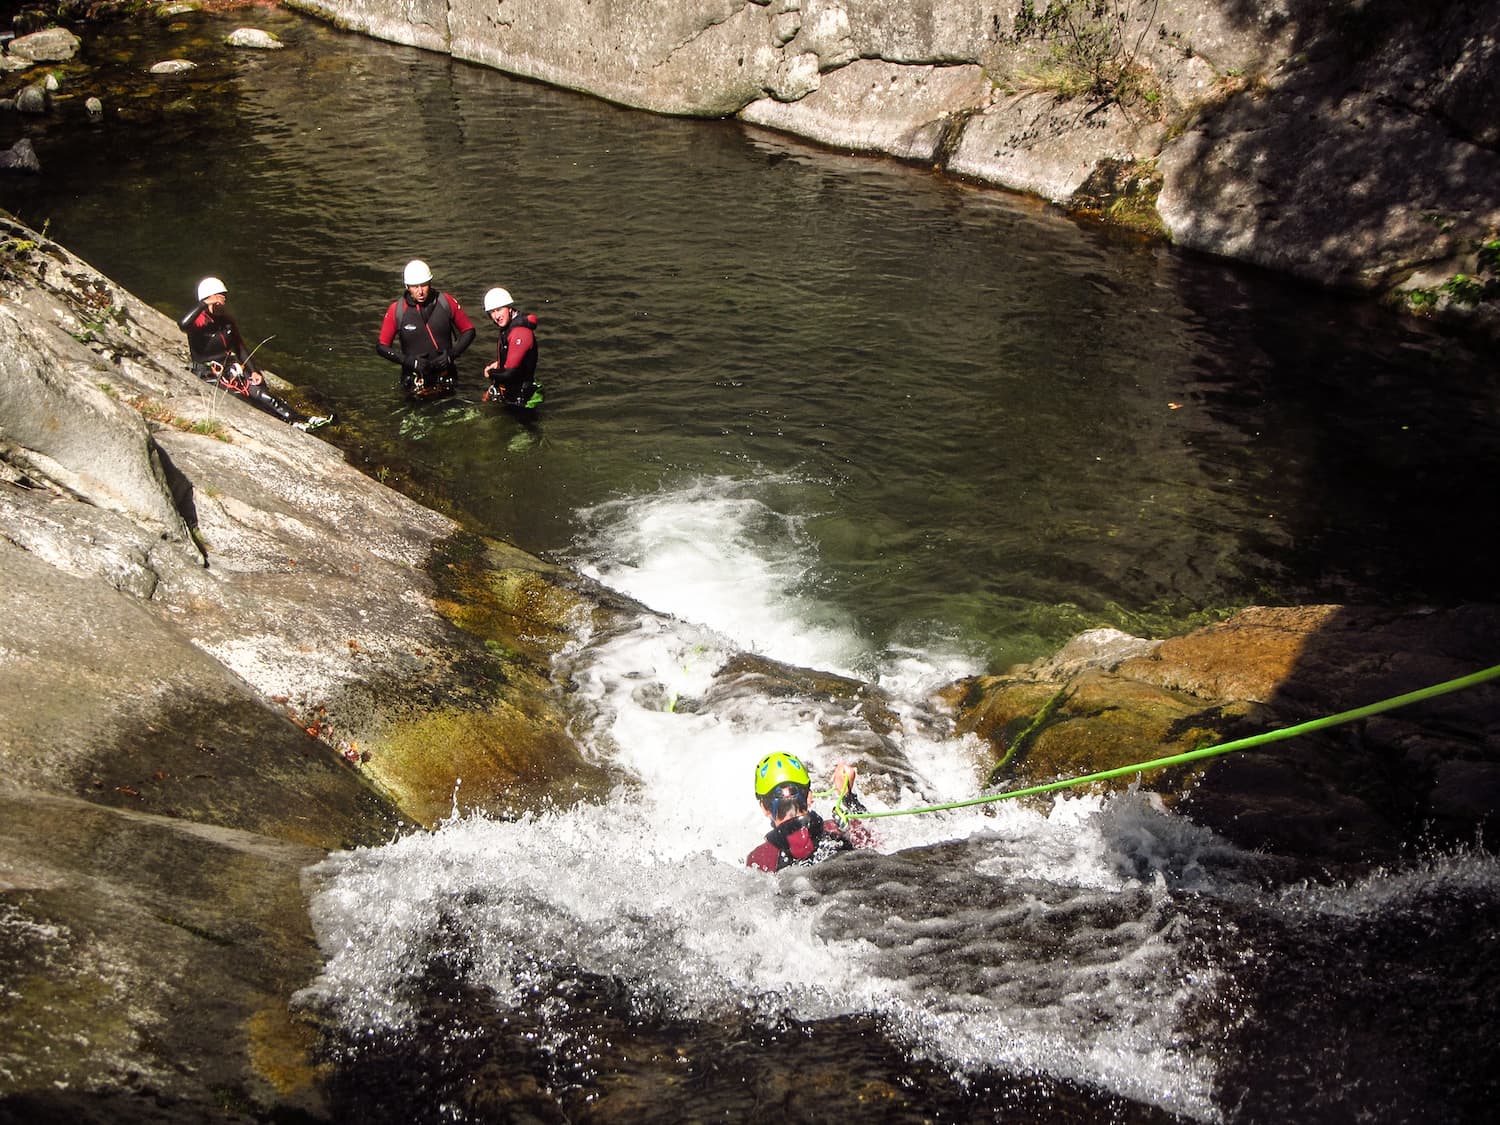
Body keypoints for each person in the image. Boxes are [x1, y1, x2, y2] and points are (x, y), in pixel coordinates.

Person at [177, 277, 331, 431]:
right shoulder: (199, 321)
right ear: (210, 298)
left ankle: (299, 418)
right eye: (220, 296)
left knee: (262, 394)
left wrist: (254, 371)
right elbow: (183, 324)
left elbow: (240, 348)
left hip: (228, 369)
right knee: (242, 399)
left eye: (224, 296)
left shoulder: (227, 321)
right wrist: (205, 303)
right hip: (208, 373)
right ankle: (287, 424)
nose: (224, 299)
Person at [746, 752, 873, 872]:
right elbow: (874, 843)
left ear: (764, 808)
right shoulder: (839, 831)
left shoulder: (759, 860)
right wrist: (848, 797)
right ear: (809, 797)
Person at [375, 259, 476, 396]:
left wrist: (451, 355)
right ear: (407, 286)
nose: (420, 291)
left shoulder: (446, 302)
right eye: (415, 287)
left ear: (430, 283)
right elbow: (382, 346)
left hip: (446, 377)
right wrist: (408, 361)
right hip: (415, 381)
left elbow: (469, 331)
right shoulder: (397, 310)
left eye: (424, 285)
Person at [479, 286, 542, 407]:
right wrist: (499, 363)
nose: (496, 316)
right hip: (510, 393)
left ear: (509, 308)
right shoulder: (507, 328)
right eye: (492, 312)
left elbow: (510, 373)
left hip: (522, 400)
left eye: (499, 309)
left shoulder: (520, 332)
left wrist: (490, 373)